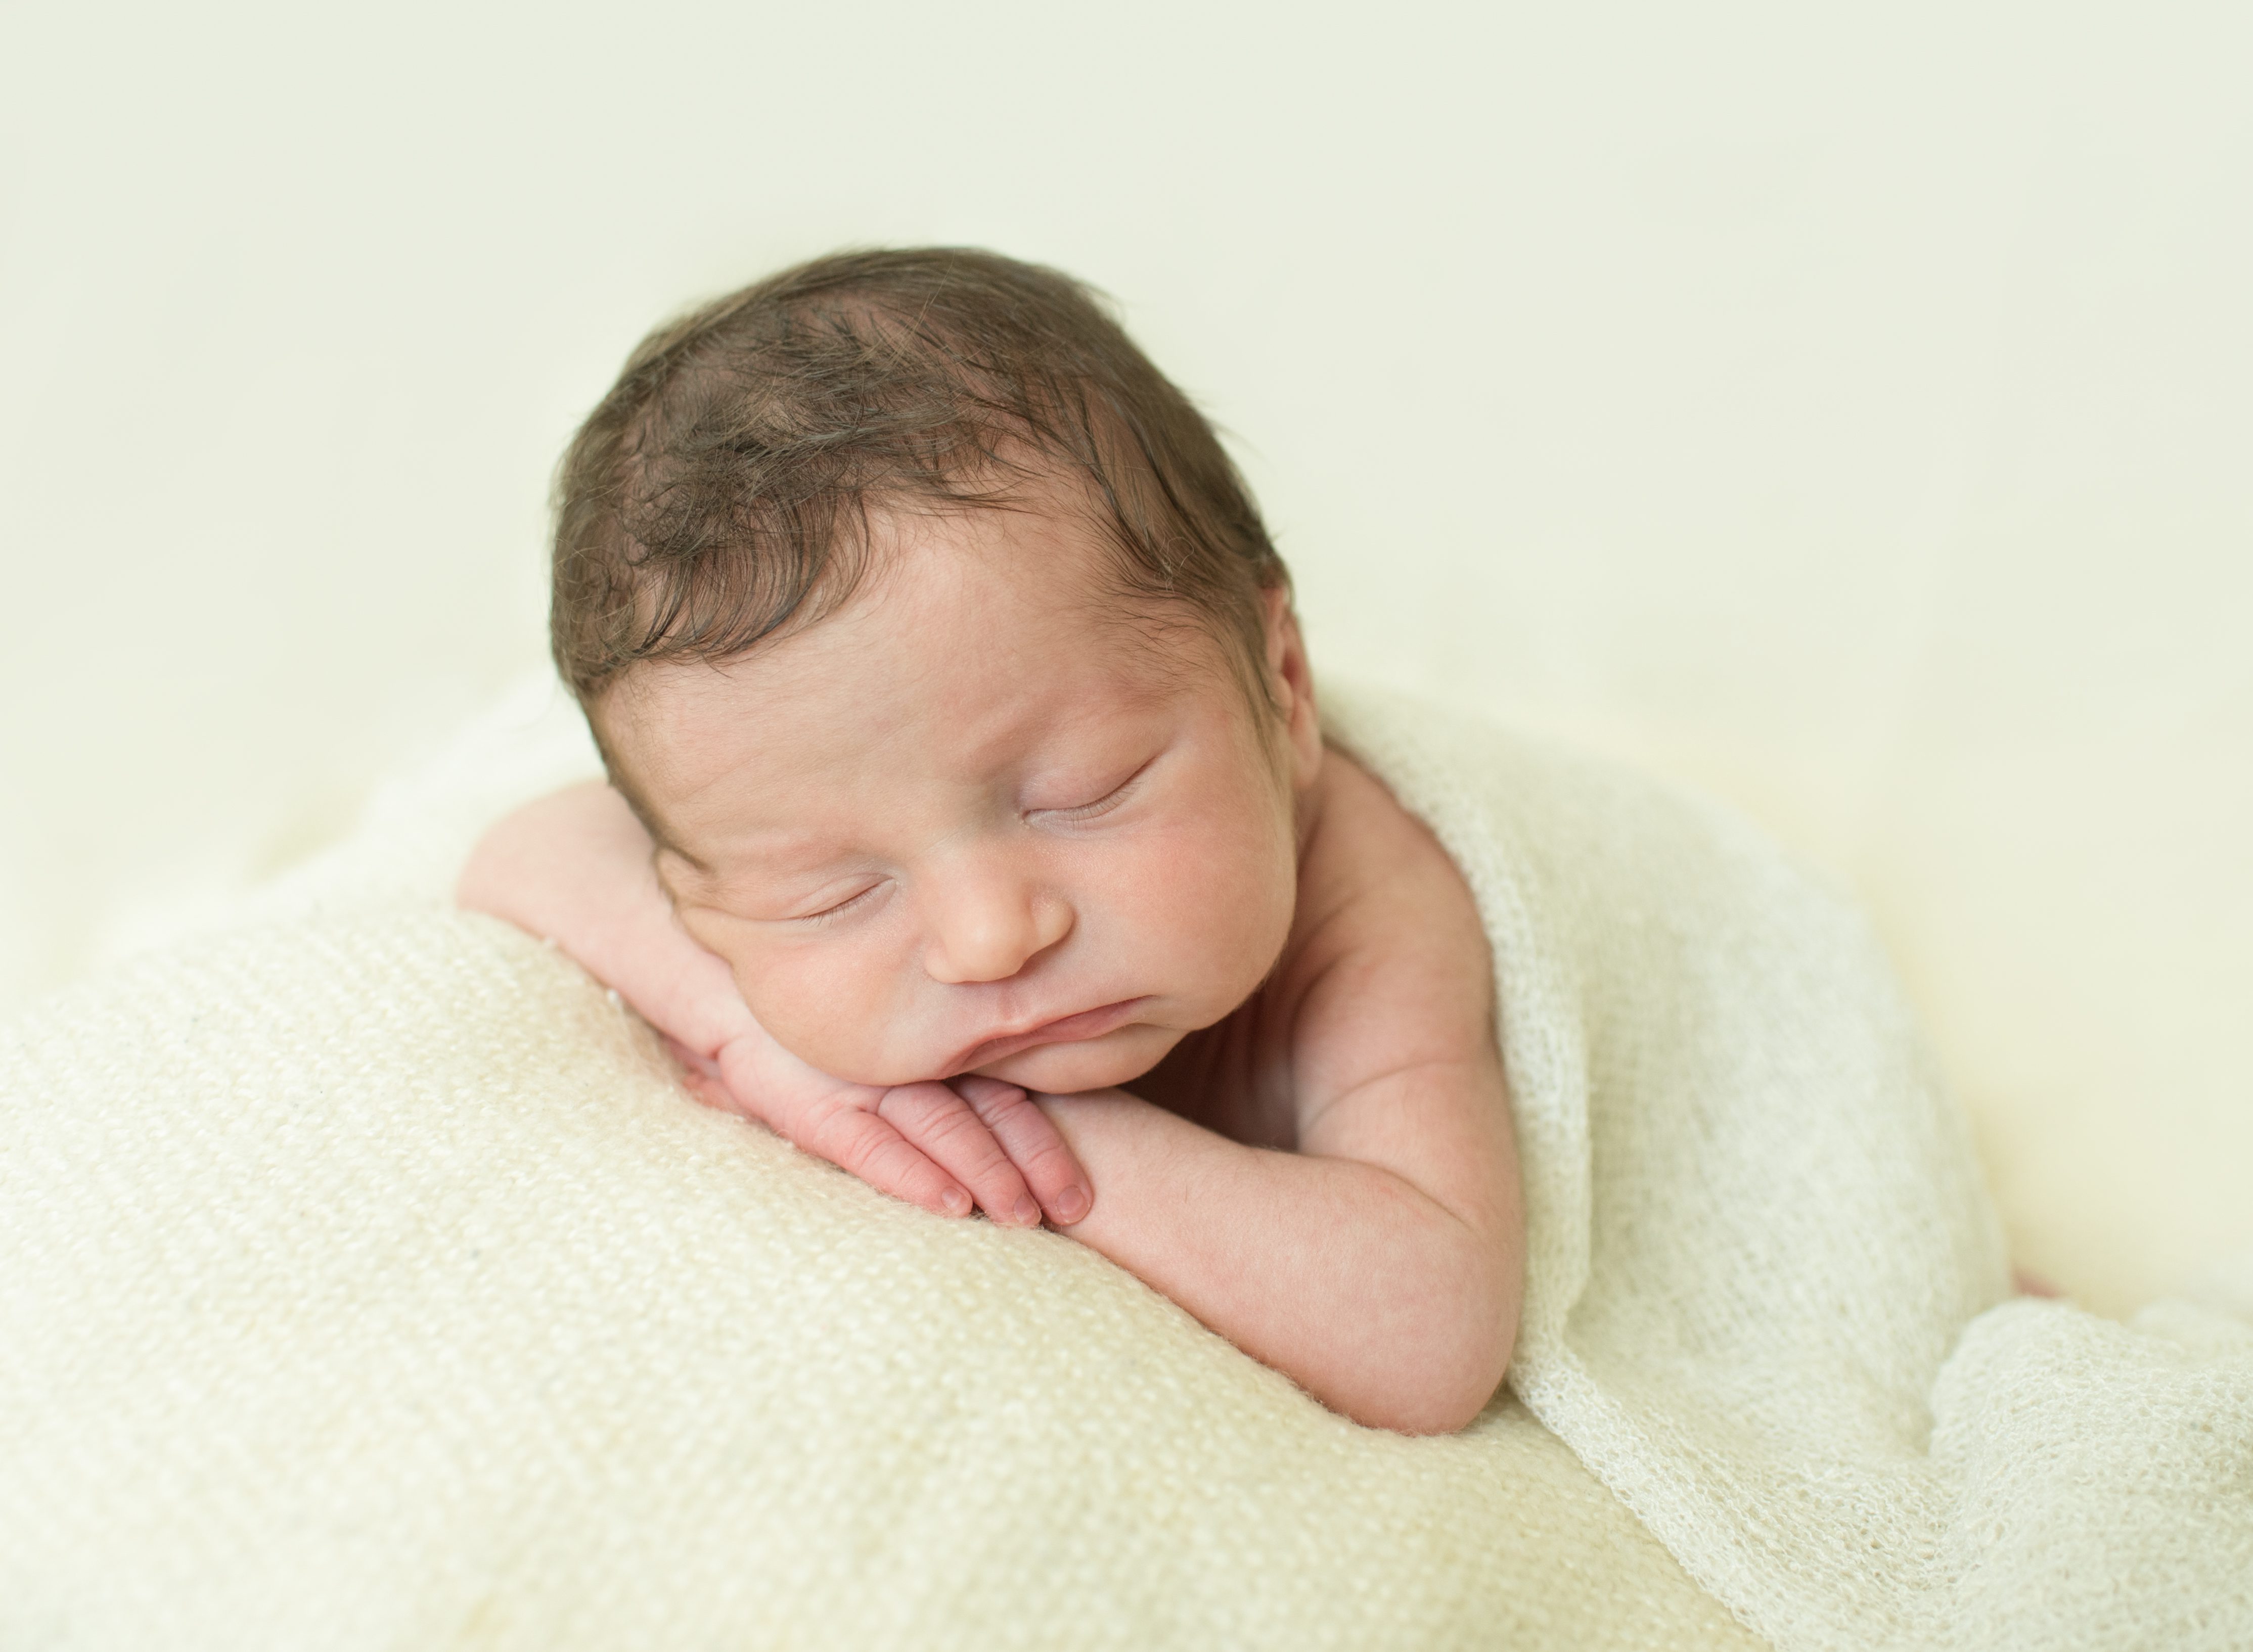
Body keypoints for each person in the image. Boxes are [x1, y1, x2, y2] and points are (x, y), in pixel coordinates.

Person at [457, 248, 1523, 1434]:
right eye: (833, 892)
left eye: (1081, 793)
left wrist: (1025, 1137)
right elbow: (522, 851)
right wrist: (757, 1038)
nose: (989, 937)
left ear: (1280, 687)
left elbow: (1429, 1331)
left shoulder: (1371, 902)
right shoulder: (749, 798)